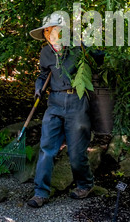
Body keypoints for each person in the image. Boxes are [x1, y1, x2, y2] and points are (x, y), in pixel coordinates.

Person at [27, 12, 99, 208]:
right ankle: (40, 192)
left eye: (55, 30)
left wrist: (89, 46)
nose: (51, 34)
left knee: (76, 152)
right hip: (55, 102)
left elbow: (100, 60)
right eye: (47, 31)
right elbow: (43, 75)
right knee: (46, 148)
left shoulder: (78, 48)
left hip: (77, 101)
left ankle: (85, 184)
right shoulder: (45, 53)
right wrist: (37, 87)